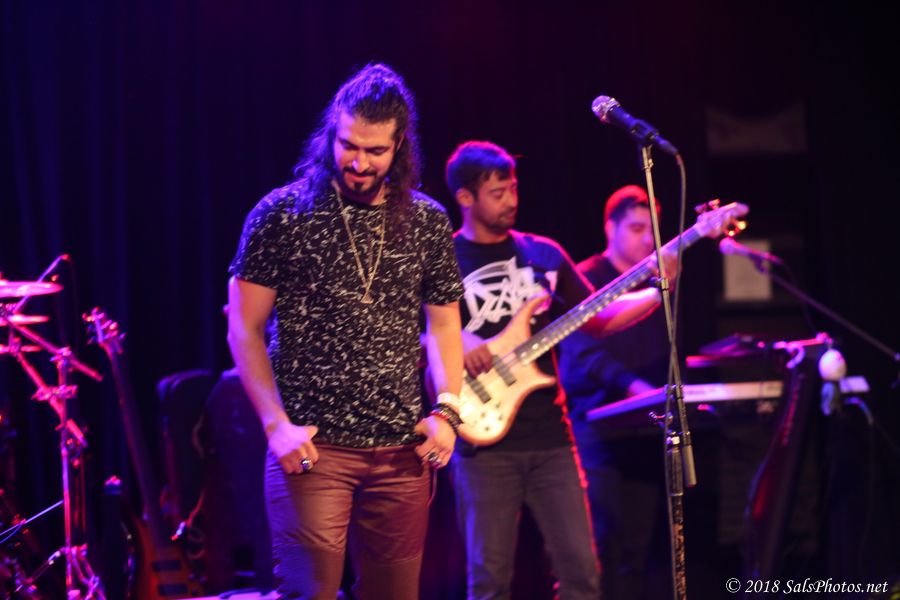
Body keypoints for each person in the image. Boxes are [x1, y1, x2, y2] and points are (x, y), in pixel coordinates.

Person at [227, 63, 465, 600]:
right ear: (331, 133)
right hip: (313, 450)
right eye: (348, 145)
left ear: (399, 145)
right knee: (309, 592)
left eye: (374, 151)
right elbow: (244, 328)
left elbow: (444, 324)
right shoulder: (281, 214)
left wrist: (448, 410)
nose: (358, 162)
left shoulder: (427, 221)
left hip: (402, 452)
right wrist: (275, 426)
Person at [444, 141, 663, 600]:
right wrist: (457, 339)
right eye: (498, 193)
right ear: (465, 197)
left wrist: (658, 289)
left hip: (552, 438)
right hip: (481, 442)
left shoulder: (541, 254)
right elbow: (415, 330)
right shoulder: (443, 259)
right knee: (489, 582)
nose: (511, 200)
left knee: (583, 574)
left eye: (513, 188)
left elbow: (598, 317)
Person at [559, 184, 675, 600]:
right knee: (600, 542)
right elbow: (583, 352)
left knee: (637, 545)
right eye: (637, 228)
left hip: (642, 429)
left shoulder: (658, 284)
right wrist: (635, 388)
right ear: (611, 228)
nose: (647, 239)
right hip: (596, 429)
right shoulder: (586, 277)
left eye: (652, 230)